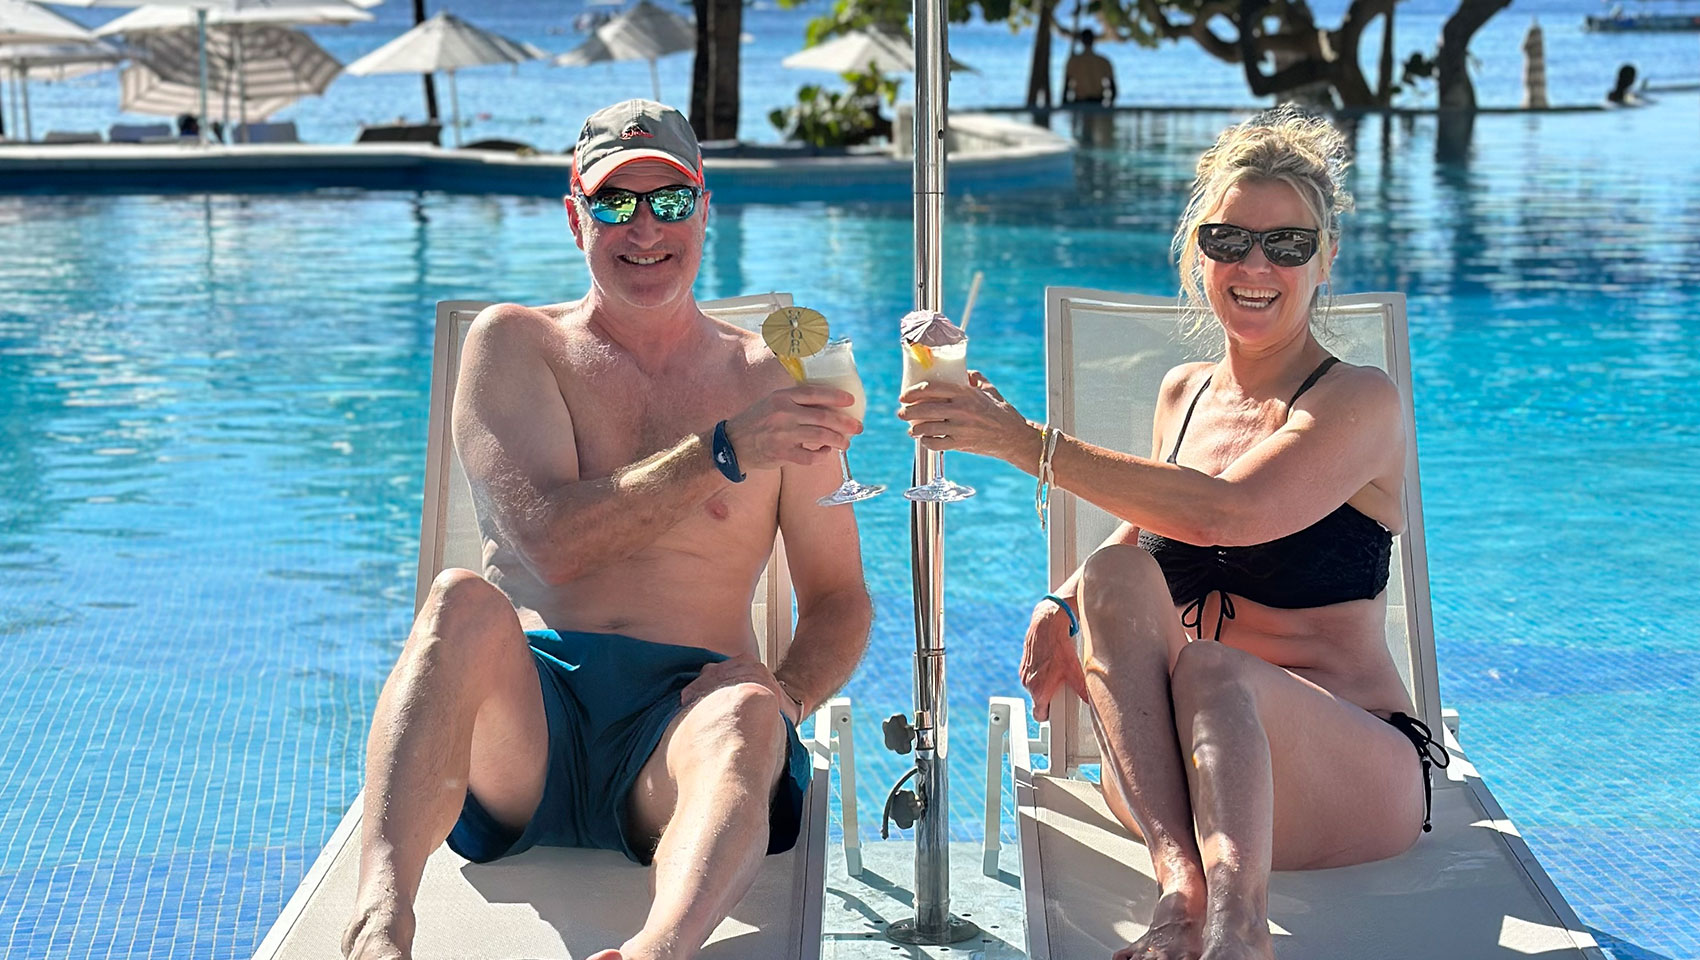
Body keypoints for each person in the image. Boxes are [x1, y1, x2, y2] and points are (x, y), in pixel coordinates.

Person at [897, 106, 1446, 960]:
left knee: (1217, 667)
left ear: (1326, 258)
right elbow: (1147, 537)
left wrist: (1022, 443)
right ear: (1200, 254)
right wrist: (1064, 602)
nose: (1255, 265)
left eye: (1288, 245)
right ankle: (1179, 886)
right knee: (1116, 584)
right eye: (1230, 241)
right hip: (1182, 779)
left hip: (1347, 771)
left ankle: (1237, 930)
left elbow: (1226, 512)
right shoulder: (1182, 393)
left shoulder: (1359, 401)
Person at [342, 99, 874, 960]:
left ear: (705, 208)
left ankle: (658, 949)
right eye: (614, 203)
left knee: (748, 710)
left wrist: (788, 696)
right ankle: (379, 922)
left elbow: (840, 598)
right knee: (459, 603)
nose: (644, 229)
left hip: (680, 731)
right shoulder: (517, 346)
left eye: (668, 201)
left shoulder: (775, 379)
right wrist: (723, 452)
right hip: (528, 723)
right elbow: (550, 542)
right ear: (573, 217)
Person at [1063, 28, 1118, 107]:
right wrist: (1108, 105)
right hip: (1098, 103)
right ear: (1093, 41)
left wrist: (1066, 106)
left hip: (1079, 103)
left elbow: (1066, 87)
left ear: (1082, 41)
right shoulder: (1104, 61)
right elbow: (1113, 89)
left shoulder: (1073, 61)